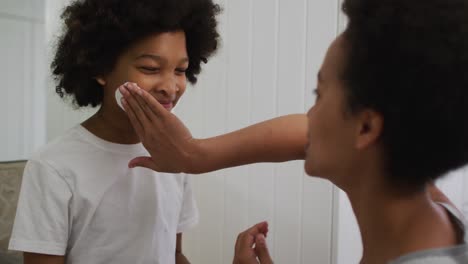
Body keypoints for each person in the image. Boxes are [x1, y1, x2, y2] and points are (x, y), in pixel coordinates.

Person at [120, 0, 468, 262]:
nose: (309, 115)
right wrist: (196, 155)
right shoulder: (437, 213)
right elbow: (301, 136)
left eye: (319, 95)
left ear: (365, 127)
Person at [8, 0, 220, 263]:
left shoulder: (176, 155)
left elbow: (174, 253)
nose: (170, 86)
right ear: (101, 68)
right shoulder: (53, 167)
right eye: (150, 68)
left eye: (180, 70)